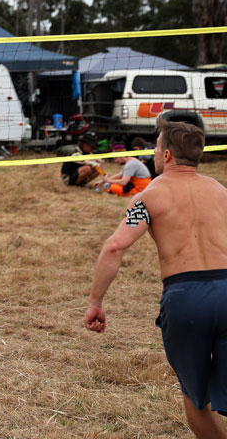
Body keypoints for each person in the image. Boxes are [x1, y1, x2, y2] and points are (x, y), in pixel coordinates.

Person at [84, 117, 227, 438]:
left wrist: (95, 302)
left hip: (186, 298)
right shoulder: (221, 191)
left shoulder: (148, 196)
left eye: (156, 145)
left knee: (196, 398)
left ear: (166, 155)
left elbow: (114, 248)